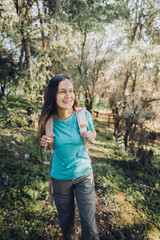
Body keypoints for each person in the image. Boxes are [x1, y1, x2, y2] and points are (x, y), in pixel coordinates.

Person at [38, 75, 99, 240]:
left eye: (71, 91)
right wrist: (44, 140)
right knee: (67, 225)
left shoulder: (83, 115)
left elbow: (92, 131)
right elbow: (42, 140)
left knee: (90, 226)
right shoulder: (47, 120)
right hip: (60, 178)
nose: (68, 96)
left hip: (84, 174)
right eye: (62, 92)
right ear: (53, 95)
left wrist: (91, 134)